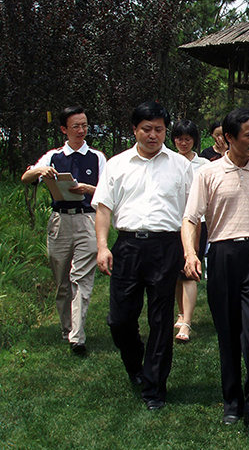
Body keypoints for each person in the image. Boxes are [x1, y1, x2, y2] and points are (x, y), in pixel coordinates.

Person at [182, 107, 249, 435]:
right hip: (223, 254)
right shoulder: (208, 174)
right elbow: (191, 219)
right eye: (248, 135)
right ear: (229, 137)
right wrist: (190, 254)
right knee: (227, 334)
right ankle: (232, 401)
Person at [92, 101, 194, 410]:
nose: (153, 135)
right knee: (119, 320)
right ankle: (135, 366)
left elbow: (191, 214)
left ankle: (155, 388)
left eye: (159, 129)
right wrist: (102, 246)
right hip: (128, 247)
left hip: (166, 246)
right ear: (135, 130)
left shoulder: (181, 165)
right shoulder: (118, 164)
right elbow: (103, 207)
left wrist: (189, 251)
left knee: (161, 320)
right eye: (146, 129)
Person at [21, 105, 106, 355]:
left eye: (85, 125)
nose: (81, 131)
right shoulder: (53, 156)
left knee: (81, 278)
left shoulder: (97, 157)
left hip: (86, 220)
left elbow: (108, 191)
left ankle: (77, 336)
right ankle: (66, 327)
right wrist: (39, 171)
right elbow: (27, 179)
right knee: (62, 281)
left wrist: (88, 189)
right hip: (60, 221)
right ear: (64, 129)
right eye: (76, 126)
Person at [171, 120, 210, 344]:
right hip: (173, 223)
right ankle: (181, 312)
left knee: (190, 271)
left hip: (198, 222)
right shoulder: (169, 162)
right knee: (177, 271)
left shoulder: (203, 165)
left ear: (194, 139)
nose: (183, 142)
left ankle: (186, 321)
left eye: (187, 138)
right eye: (178, 138)